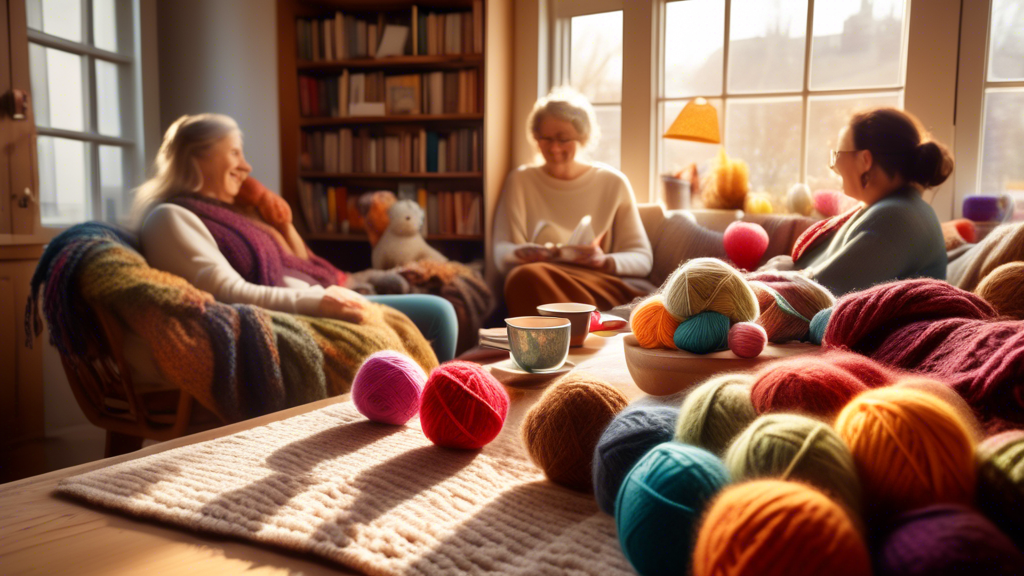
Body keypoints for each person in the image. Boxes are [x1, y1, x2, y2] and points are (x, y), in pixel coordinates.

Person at [134, 113, 458, 361]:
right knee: (437, 314)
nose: (246, 166)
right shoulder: (169, 218)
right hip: (299, 313)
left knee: (439, 307)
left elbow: (300, 261)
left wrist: (269, 209)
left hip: (316, 297)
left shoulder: (234, 216)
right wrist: (320, 302)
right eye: (234, 153)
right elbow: (226, 292)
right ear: (198, 158)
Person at [492, 88, 653, 317]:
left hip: (595, 281)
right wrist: (520, 254)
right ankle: (568, 334)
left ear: (582, 138)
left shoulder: (613, 182)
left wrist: (603, 261)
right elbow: (500, 252)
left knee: (525, 278)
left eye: (563, 139)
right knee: (523, 277)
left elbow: (642, 258)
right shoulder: (520, 180)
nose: (554, 148)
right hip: (539, 278)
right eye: (545, 138)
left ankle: (567, 330)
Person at [767, 107, 953, 296]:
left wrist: (767, 276)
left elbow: (813, 295)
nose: (833, 166)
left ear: (865, 160)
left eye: (837, 155)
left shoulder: (896, 219)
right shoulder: (898, 208)